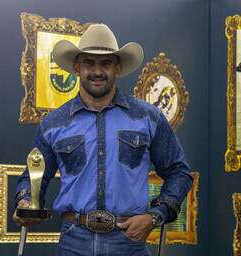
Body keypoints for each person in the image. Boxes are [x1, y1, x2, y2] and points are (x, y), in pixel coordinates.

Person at [13, 24, 193, 256]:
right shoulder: (54, 123)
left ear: (117, 67)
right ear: (77, 67)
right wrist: (26, 202)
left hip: (129, 242)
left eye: (106, 63)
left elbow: (179, 171)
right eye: (89, 62)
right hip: (74, 241)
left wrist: (155, 216)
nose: (97, 71)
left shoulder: (148, 117)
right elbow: (33, 176)